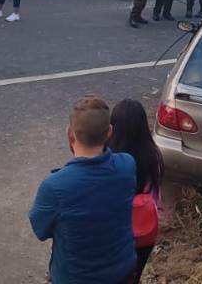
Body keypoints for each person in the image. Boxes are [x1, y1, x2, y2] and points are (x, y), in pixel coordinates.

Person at [29, 96, 137, 284]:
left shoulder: (54, 187)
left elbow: (40, 230)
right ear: (109, 132)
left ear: (70, 134)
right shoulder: (127, 165)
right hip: (123, 272)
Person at [107, 99, 163, 284]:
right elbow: (155, 196)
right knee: (134, 275)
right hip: (145, 231)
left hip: (117, 232)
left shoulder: (109, 157)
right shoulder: (153, 156)